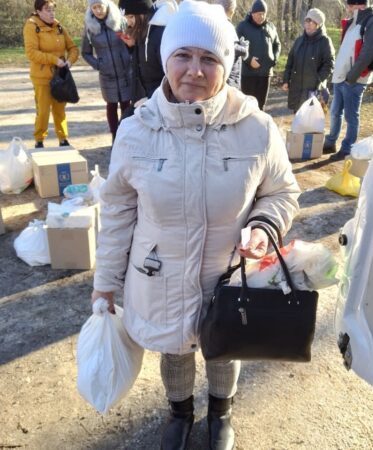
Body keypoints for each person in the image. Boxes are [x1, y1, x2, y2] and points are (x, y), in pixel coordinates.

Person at [91, 1, 300, 449]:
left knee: (225, 345)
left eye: (209, 58)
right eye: (183, 55)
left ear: (226, 64)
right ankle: (180, 412)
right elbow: (117, 213)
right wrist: (105, 283)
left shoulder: (258, 129)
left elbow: (282, 192)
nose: (195, 70)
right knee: (174, 348)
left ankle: (221, 412)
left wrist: (264, 226)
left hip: (225, 273)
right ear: (165, 58)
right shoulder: (136, 131)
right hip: (159, 275)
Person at [324, 0, 373, 160]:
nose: (347, 7)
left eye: (350, 4)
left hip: (354, 79)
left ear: (359, 4)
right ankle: (330, 142)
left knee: (351, 116)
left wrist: (351, 77)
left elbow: (368, 53)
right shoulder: (352, 22)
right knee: (335, 112)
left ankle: (347, 149)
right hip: (341, 76)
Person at [23, 0, 79, 148]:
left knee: (60, 110)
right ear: (38, 11)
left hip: (60, 77)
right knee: (43, 111)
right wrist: (54, 60)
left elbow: (73, 48)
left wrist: (70, 61)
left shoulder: (58, 26)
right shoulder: (31, 26)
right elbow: (31, 53)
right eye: (47, 10)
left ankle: (63, 139)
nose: (52, 13)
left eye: (53, 9)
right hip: (42, 78)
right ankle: (39, 140)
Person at [82, 0, 131, 143]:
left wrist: (129, 59)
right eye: (94, 7)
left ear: (107, 5)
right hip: (107, 75)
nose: (98, 10)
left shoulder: (120, 22)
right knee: (111, 105)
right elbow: (85, 52)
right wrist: (99, 65)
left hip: (125, 72)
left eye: (100, 6)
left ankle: (127, 136)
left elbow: (132, 43)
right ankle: (115, 137)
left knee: (126, 104)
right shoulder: (89, 28)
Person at [118, 0, 177, 108]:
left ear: (143, 13)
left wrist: (150, 100)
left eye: (131, 17)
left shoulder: (160, 35)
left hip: (158, 104)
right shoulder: (143, 30)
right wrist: (132, 47)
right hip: (142, 99)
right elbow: (142, 66)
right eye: (126, 18)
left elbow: (172, 78)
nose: (129, 23)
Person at [282, 8, 335, 113]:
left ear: (318, 24)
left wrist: (317, 80)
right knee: (298, 117)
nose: (308, 24)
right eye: (307, 21)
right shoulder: (299, 40)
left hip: (313, 90)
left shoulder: (325, 41)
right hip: (297, 89)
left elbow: (329, 65)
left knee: (312, 119)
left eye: (312, 21)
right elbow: (290, 62)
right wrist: (286, 80)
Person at [236, 0, 281, 110]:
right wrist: (249, 59)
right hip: (248, 74)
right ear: (252, 13)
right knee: (247, 106)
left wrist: (274, 59)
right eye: (258, 14)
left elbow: (277, 45)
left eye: (263, 14)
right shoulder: (242, 27)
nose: (261, 16)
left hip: (265, 74)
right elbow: (236, 47)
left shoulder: (271, 27)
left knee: (261, 106)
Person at [213, 0, 249, 89]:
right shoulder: (225, 25)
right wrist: (244, 48)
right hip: (229, 78)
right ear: (232, 10)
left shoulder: (211, 23)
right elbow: (229, 47)